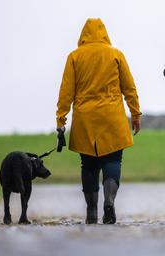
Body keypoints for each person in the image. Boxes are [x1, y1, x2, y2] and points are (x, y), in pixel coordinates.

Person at [56, 18, 141, 224]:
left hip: (85, 120)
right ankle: (109, 201)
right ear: (104, 33)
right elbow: (129, 87)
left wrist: (61, 118)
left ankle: (92, 211)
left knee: (89, 165)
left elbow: (66, 91)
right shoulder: (115, 54)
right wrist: (135, 114)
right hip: (112, 118)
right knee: (113, 161)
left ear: (83, 35)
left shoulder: (74, 57)